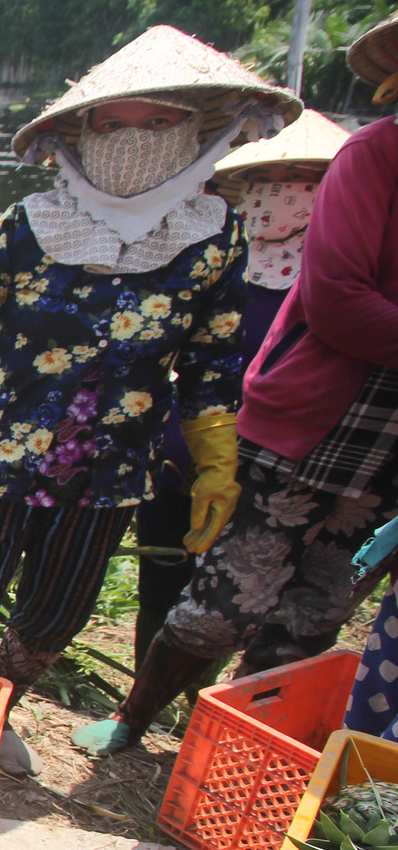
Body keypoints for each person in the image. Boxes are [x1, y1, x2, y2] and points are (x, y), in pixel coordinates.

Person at [0, 27, 298, 774]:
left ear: (193, 131)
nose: (132, 139)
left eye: (156, 123)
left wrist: (214, 458)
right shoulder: (31, 226)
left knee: (59, 610)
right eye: (112, 124)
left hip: (112, 464)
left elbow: (212, 360)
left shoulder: (212, 240)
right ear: (79, 134)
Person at [78, 10, 398, 754]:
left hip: (384, 447)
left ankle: (237, 746)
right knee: (229, 590)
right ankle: (139, 717)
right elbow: (339, 301)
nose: (287, 199)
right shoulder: (374, 157)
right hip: (311, 423)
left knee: (319, 606)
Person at [131, 111, 352, 685]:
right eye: (270, 177)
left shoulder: (337, 277)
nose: (281, 193)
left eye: (303, 178)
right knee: (162, 561)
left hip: (273, 456)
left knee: (236, 587)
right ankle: (143, 696)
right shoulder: (219, 256)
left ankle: (200, 696)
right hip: (183, 439)